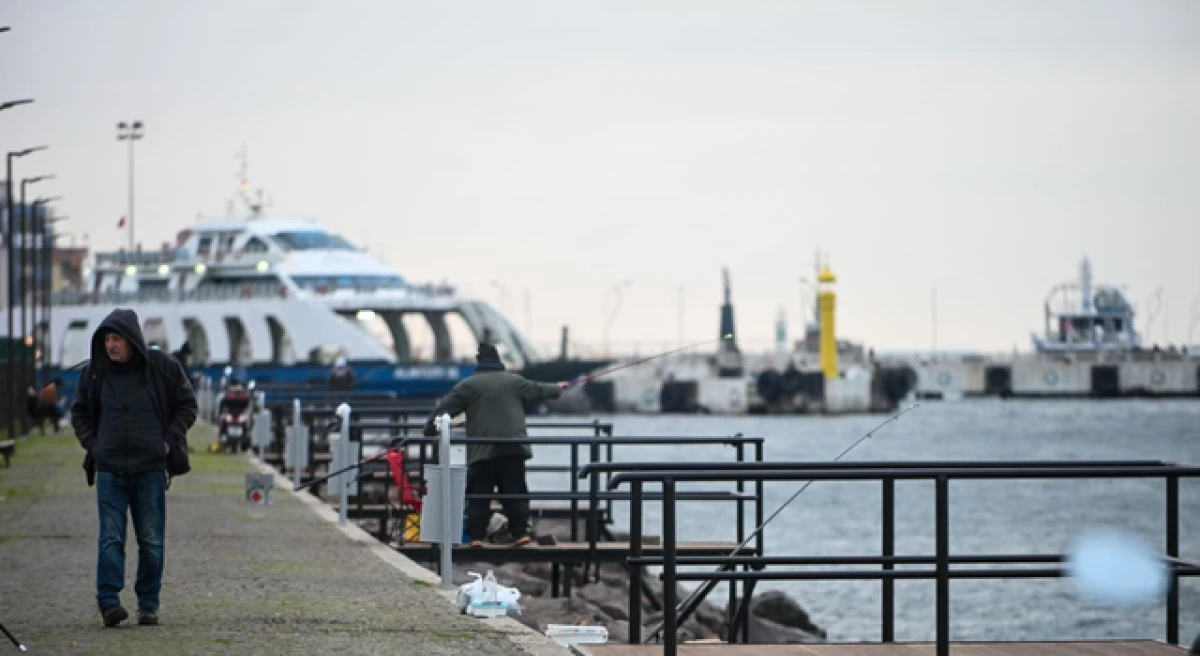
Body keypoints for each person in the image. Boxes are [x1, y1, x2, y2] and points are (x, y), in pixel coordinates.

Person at [70, 308, 197, 628]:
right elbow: (79, 413)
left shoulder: (163, 368)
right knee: (110, 538)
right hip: (109, 468)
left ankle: (148, 604)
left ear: (132, 339)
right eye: (107, 339)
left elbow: (187, 405)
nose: (111, 345)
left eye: (117, 339)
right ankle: (109, 602)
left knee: (151, 541)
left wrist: (169, 439)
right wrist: (94, 446)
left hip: (150, 468)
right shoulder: (94, 373)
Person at [423, 342, 567, 547]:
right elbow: (539, 389)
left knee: (479, 492)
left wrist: (431, 429)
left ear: (479, 362)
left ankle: (477, 537)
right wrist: (558, 387)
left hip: (483, 449)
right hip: (513, 447)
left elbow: (443, 412)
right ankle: (520, 533)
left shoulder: (468, 386)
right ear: (498, 360)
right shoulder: (514, 381)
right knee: (515, 490)